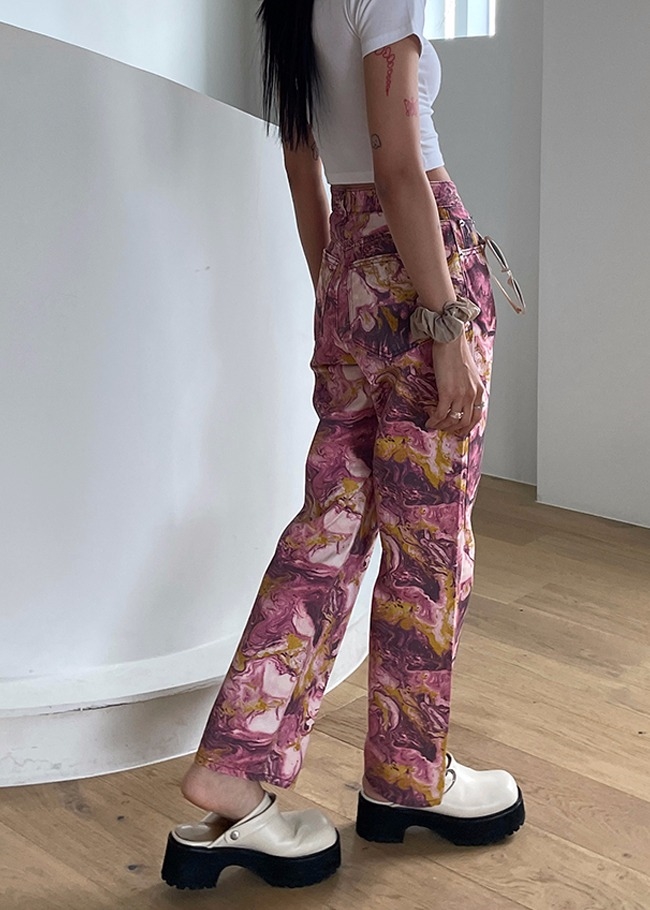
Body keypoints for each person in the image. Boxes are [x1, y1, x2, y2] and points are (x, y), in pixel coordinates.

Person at [161, 0, 525, 891]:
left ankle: (232, 767)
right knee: (428, 541)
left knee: (326, 533)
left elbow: (304, 167)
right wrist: (443, 322)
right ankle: (409, 772)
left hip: (350, 271)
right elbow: (399, 165)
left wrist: (345, 300)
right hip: (421, 265)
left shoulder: (287, 7)